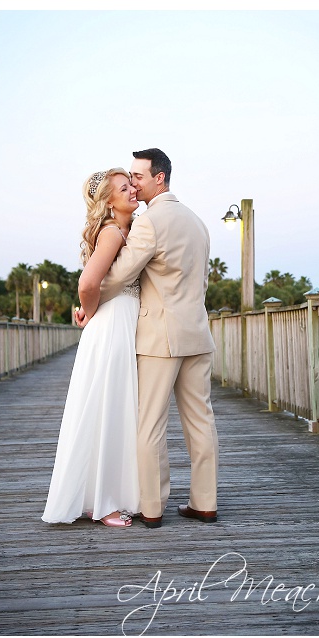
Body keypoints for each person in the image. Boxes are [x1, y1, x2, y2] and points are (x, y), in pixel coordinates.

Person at [79, 148, 218, 529]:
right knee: (201, 422)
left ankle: (153, 508)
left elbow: (119, 276)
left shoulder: (150, 222)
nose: (134, 183)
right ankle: (205, 503)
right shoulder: (198, 222)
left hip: (161, 338)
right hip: (199, 333)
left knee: (150, 425)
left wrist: (87, 307)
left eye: (138, 176)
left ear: (159, 177)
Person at [42, 168, 142, 527]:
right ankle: (106, 504)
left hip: (118, 323)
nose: (132, 190)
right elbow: (87, 283)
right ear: (108, 201)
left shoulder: (124, 230)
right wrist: (93, 311)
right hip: (112, 326)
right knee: (110, 409)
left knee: (109, 408)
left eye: (132, 184)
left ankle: (97, 497)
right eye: (123, 187)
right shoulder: (113, 232)